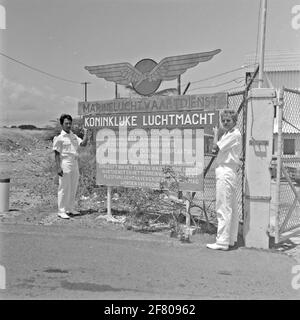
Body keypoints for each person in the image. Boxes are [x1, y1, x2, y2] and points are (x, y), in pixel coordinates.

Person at [206, 109, 242, 251]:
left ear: (234, 121)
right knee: (230, 207)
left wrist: (215, 133)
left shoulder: (233, 134)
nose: (226, 123)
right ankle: (230, 239)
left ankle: (222, 242)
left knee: (223, 207)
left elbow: (215, 147)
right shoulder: (229, 134)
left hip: (225, 171)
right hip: (228, 171)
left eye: (229, 120)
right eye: (224, 120)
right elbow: (217, 150)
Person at [53, 114, 89, 219]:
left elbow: (83, 144)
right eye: (66, 123)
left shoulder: (73, 136)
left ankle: (70, 208)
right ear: (62, 124)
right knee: (64, 188)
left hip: (74, 163)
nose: (68, 125)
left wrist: (86, 134)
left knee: (73, 187)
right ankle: (61, 210)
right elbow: (56, 154)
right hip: (65, 163)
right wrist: (58, 167)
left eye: (70, 123)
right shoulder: (59, 138)